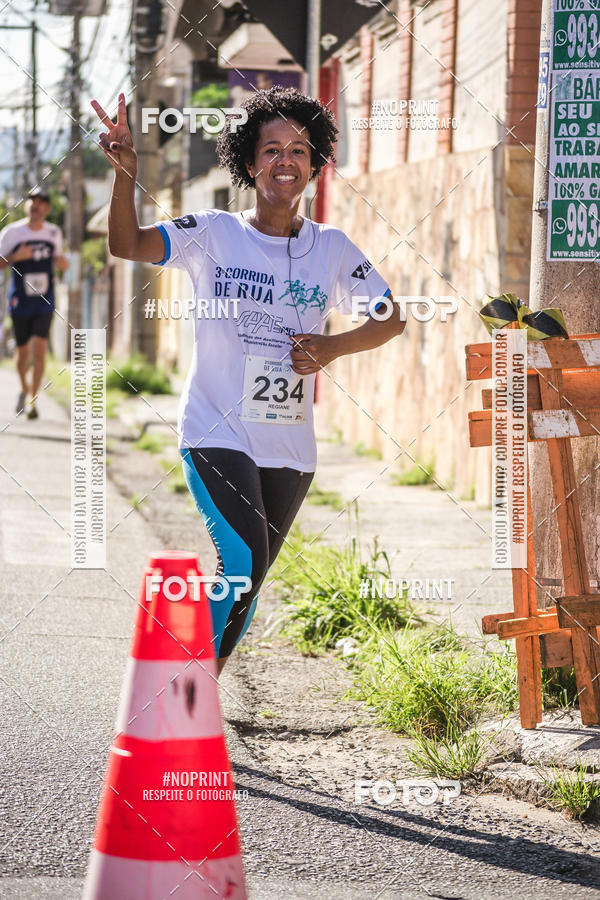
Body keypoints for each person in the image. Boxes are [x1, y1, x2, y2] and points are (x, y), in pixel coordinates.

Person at [91, 87, 405, 677]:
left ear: (314, 164)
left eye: (300, 150)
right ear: (249, 161)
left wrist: (332, 347)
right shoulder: (211, 233)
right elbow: (125, 244)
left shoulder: (332, 247)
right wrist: (126, 172)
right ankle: (183, 695)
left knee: (249, 579)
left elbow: (392, 317)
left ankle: (195, 691)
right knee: (241, 560)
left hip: (289, 444)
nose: (286, 160)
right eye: (271, 149)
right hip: (215, 430)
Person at [0, 188, 69, 418]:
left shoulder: (54, 233)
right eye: (32, 201)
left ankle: (33, 399)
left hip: (44, 299)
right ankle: (23, 386)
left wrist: (62, 263)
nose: (36, 205)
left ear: (47, 209)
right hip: (20, 299)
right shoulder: (12, 232)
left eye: (41, 202)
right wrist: (16, 257)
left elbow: (61, 261)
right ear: (27, 205)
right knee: (22, 351)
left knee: (39, 348)